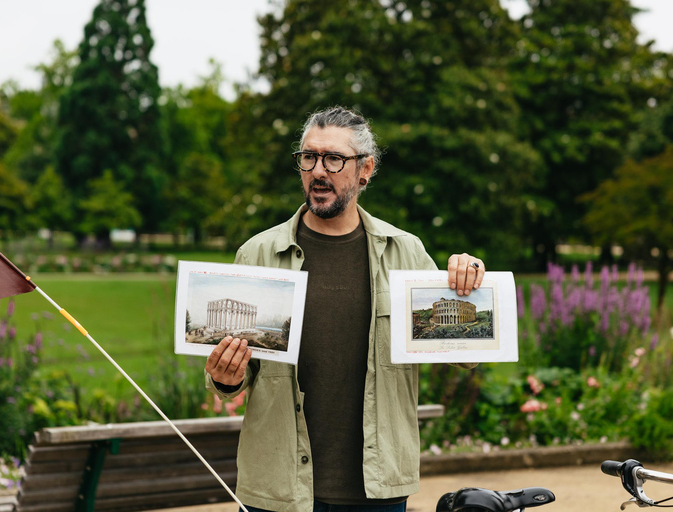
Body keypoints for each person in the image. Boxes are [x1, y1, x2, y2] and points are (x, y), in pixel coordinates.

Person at [205, 106, 484, 512]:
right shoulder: (258, 253)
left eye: (334, 159)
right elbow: (235, 373)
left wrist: (470, 283)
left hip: (378, 490)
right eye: (309, 157)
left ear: (365, 169)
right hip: (280, 489)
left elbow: (466, 355)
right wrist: (225, 376)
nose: (319, 170)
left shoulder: (405, 252)